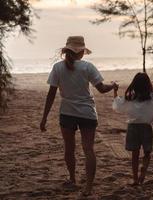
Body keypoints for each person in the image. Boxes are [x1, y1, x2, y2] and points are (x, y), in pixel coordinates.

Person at [40, 36, 118, 196]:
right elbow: (102, 89)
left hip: (67, 113)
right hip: (87, 113)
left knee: (69, 148)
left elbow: (51, 94)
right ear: (82, 52)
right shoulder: (88, 67)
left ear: (67, 50)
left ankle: (72, 178)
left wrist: (44, 117)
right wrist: (113, 85)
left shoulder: (58, 68)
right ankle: (88, 187)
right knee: (88, 149)